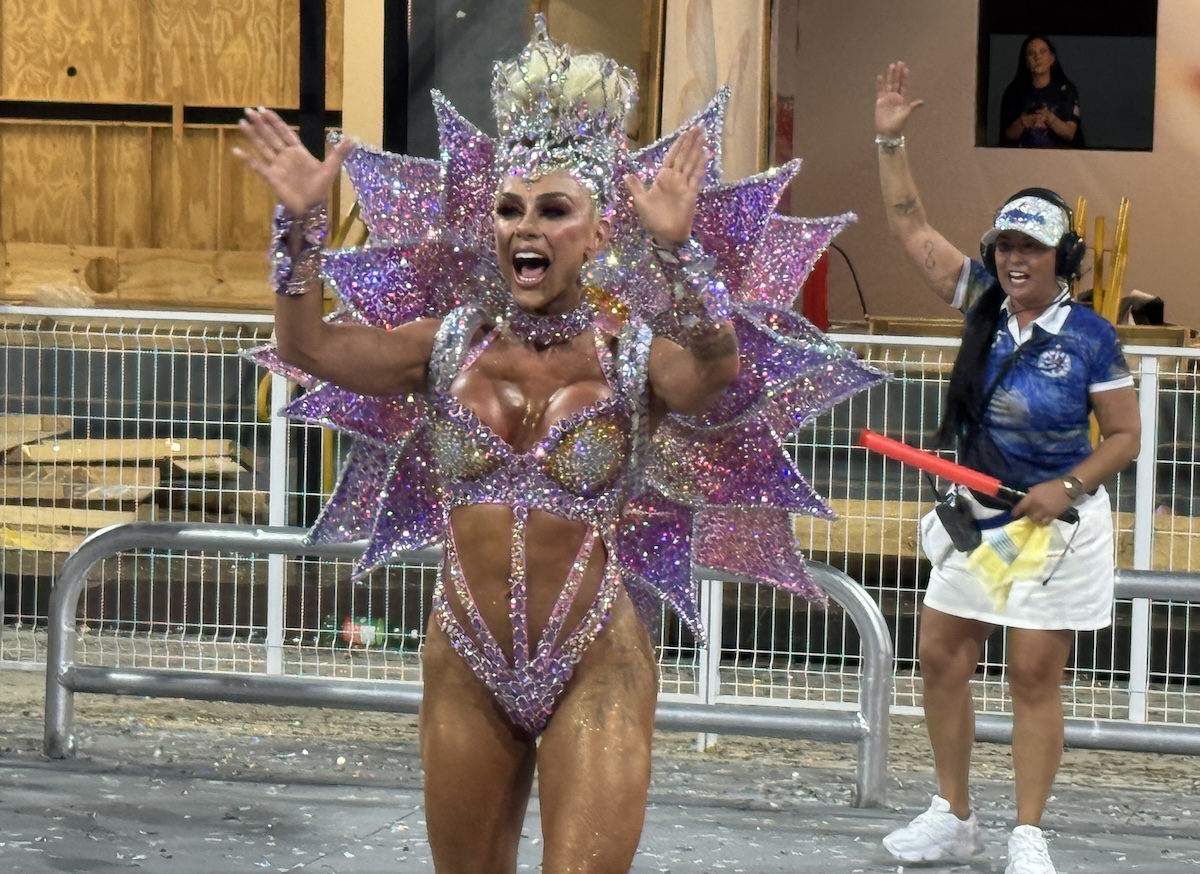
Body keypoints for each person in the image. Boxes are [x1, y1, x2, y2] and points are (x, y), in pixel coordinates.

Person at [234, 17, 882, 873]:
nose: (523, 228)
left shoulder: (634, 352)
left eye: (552, 209)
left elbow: (718, 375)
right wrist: (301, 229)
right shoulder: (446, 344)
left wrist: (682, 257)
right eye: (509, 209)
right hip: (465, 656)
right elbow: (310, 348)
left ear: (599, 230)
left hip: (596, 662)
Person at [873, 62, 1140, 874]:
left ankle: (1028, 832)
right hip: (978, 518)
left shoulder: (1092, 336)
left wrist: (1070, 485)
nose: (1018, 259)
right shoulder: (982, 305)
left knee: (1032, 673)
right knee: (942, 654)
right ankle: (953, 816)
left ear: (1065, 258)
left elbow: (1123, 435)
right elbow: (910, 227)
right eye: (1007, 245)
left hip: (1056, 524)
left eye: (1035, 247)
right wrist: (889, 139)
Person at [999, 35, 1084, 148]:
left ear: (1052, 58)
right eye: (1031, 53)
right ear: (1025, 61)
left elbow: (1070, 133)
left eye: (1042, 51)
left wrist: (1049, 118)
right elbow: (1008, 136)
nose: (1037, 57)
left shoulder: (1066, 90)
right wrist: (1025, 122)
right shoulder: (1014, 92)